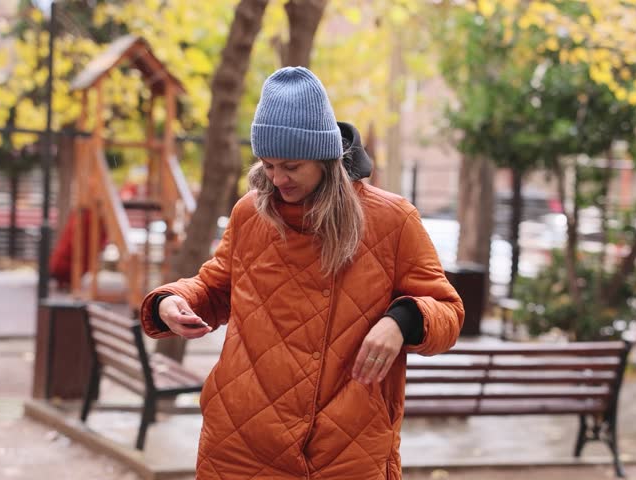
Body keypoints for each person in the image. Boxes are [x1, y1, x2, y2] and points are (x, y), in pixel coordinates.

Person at [140, 66, 464, 480]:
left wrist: (402, 321)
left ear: (325, 157)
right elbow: (215, 287)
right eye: (268, 165)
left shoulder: (392, 220)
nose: (277, 179)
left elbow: (448, 312)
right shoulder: (249, 213)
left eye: (291, 166)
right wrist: (171, 302)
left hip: (345, 453)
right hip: (240, 443)